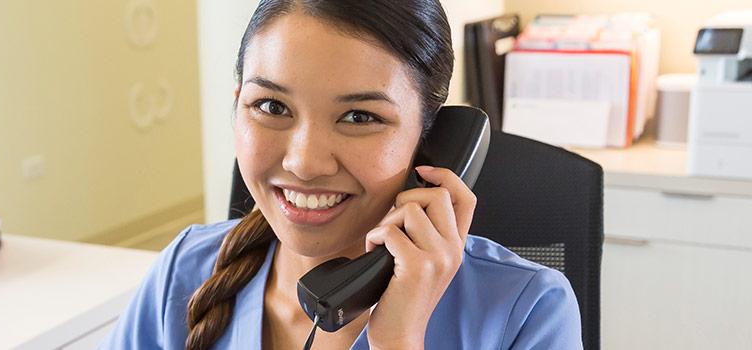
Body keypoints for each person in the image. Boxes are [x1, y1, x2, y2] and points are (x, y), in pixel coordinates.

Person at [101, 0, 582, 349]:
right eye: (271, 106)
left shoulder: (527, 312)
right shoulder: (183, 274)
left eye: (359, 117)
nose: (305, 163)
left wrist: (398, 340)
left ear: (431, 140)